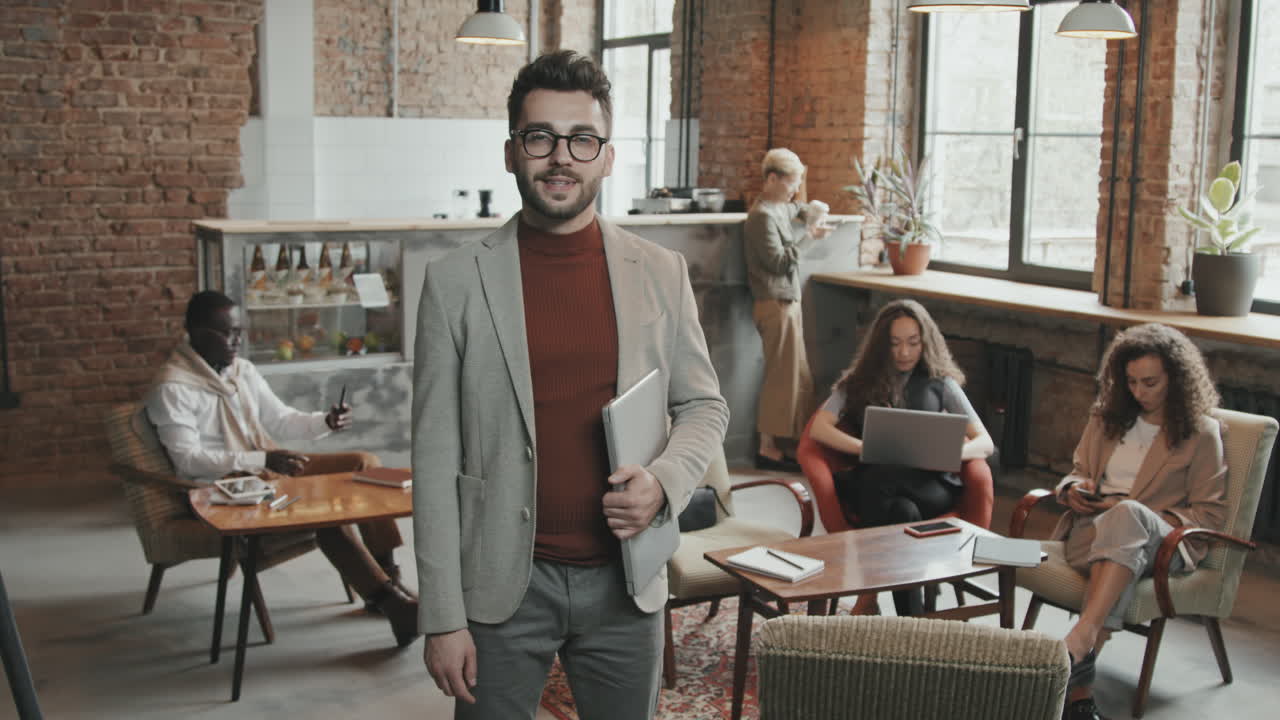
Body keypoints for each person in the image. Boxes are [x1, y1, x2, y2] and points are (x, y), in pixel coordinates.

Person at [411, 51, 728, 720]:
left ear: (607, 157)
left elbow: (703, 404)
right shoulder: (455, 283)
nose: (561, 157)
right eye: (540, 137)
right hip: (501, 586)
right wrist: (441, 616)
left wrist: (664, 482)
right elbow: (434, 459)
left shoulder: (661, 272)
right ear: (511, 152)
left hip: (625, 582)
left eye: (582, 139)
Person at [144, 290, 418, 647]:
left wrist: (324, 421)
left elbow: (281, 419)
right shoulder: (173, 387)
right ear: (195, 332)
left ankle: (388, 574)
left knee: (364, 464)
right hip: (226, 490)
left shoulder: (240, 371)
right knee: (326, 514)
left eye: (239, 331)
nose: (237, 341)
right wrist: (260, 460)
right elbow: (188, 460)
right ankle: (391, 603)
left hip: (268, 469)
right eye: (227, 333)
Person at [1048, 324, 1226, 720]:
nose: (1139, 392)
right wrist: (1074, 489)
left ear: (1176, 379)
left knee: (1128, 516)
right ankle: (1082, 663)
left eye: (1150, 382)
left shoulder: (1201, 433)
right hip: (1092, 534)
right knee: (1120, 534)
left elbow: (1208, 515)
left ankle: (1080, 654)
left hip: (1162, 543)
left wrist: (1134, 511)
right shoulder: (1105, 418)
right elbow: (1077, 471)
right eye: (1130, 382)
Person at [809, 298, 994, 616]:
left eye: (913, 342)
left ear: (926, 342)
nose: (904, 352)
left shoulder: (942, 384)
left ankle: (868, 593)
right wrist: (863, 447)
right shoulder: (859, 382)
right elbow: (819, 429)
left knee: (879, 480)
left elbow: (985, 443)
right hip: (887, 491)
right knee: (901, 512)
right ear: (881, 345)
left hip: (929, 486)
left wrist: (949, 452)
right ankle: (912, 620)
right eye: (894, 343)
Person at [743, 148, 829, 471]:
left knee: (798, 377)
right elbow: (778, 263)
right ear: (772, 179)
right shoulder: (761, 216)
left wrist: (813, 211)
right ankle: (767, 449)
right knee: (781, 379)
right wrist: (810, 238)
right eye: (791, 182)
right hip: (774, 304)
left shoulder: (780, 208)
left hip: (787, 302)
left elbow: (797, 207)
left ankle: (791, 444)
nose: (795, 190)